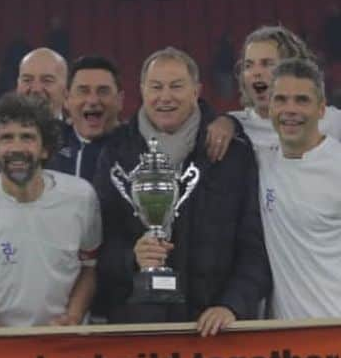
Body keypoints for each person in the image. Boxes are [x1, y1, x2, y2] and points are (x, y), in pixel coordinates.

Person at [93, 47, 270, 335]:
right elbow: (98, 249)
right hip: (137, 333)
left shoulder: (233, 154)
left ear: (196, 90)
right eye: (156, 87)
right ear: (141, 90)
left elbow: (255, 245)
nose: (165, 97)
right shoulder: (114, 154)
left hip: (215, 330)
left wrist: (232, 306)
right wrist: (132, 258)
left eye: (176, 86)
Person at [0, 94, 101, 337]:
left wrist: (73, 318)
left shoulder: (82, 198)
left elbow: (88, 267)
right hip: (1, 356)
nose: (17, 148)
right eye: (6, 138)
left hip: (66, 347)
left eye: (27, 137)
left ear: (45, 149)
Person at [258, 59, 341, 319]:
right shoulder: (261, 162)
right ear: (270, 107)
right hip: (286, 341)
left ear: (321, 109)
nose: (290, 109)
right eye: (281, 99)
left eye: (302, 100)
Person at [210, 25, 341, 155]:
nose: (256, 72)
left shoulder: (332, 122)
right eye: (248, 65)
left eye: (267, 63)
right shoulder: (232, 128)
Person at [52, 55, 124, 180]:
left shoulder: (137, 149)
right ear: (66, 99)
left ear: (120, 100)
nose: (93, 100)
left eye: (103, 91)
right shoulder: (47, 145)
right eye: (83, 91)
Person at [16, 46, 68, 118]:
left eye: (47, 81)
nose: (36, 89)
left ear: (65, 91)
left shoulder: (79, 129)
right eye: (27, 80)